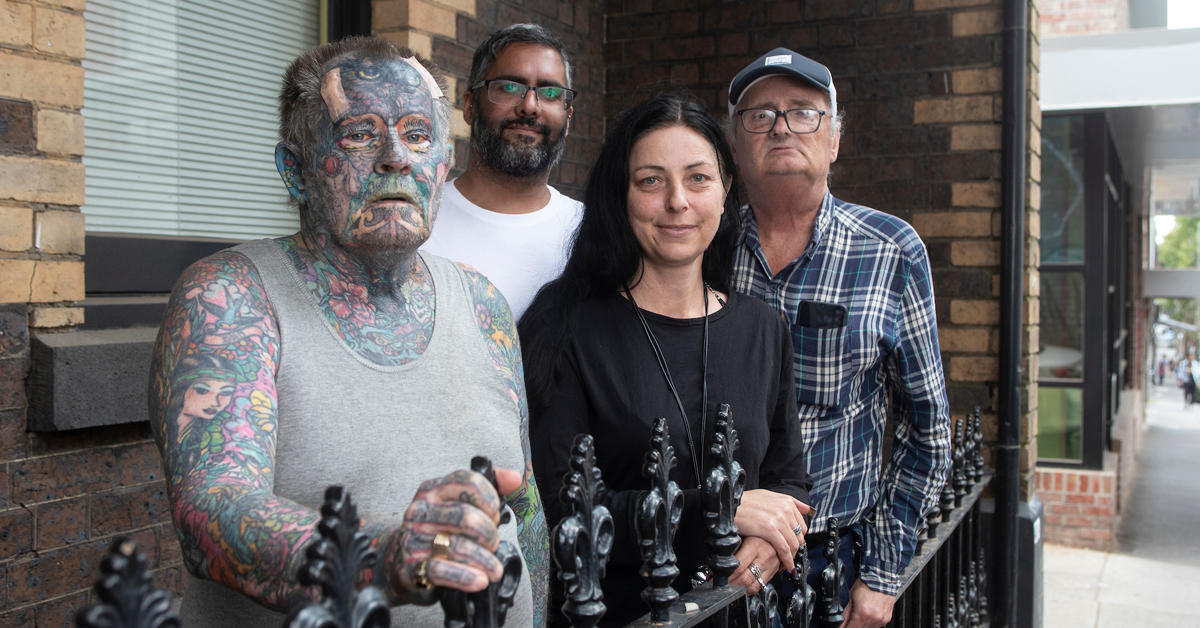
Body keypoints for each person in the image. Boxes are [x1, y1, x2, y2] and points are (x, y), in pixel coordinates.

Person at [148, 37, 548, 627]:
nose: (395, 157)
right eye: (360, 133)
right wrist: (381, 559)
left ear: (442, 166)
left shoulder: (484, 304)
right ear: (297, 170)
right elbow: (212, 512)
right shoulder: (229, 296)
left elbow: (524, 508)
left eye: (417, 136)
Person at [521, 91, 813, 627]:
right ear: (621, 196)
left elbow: (788, 479)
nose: (677, 200)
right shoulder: (565, 327)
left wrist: (775, 540)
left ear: (726, 192)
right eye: (651, 180)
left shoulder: (763, 329)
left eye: (698, 178)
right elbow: (566, 513)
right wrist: (716, 513)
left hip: (740, 612)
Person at [724, 48, 953, 628]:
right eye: (759, 115)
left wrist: (881, 576)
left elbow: (928, 432)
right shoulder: (700, 247)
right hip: (713, 556)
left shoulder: (891, 251)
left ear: (834, 141)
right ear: (733, 143)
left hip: (832, 564)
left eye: (804, 112)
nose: (780, 127)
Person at [420, 24, 583, 319]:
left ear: (568, 117)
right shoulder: (417, 224)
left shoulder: (592, 233)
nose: (530, 106)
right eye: (509, 87)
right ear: (469, 106)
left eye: (549, 92)